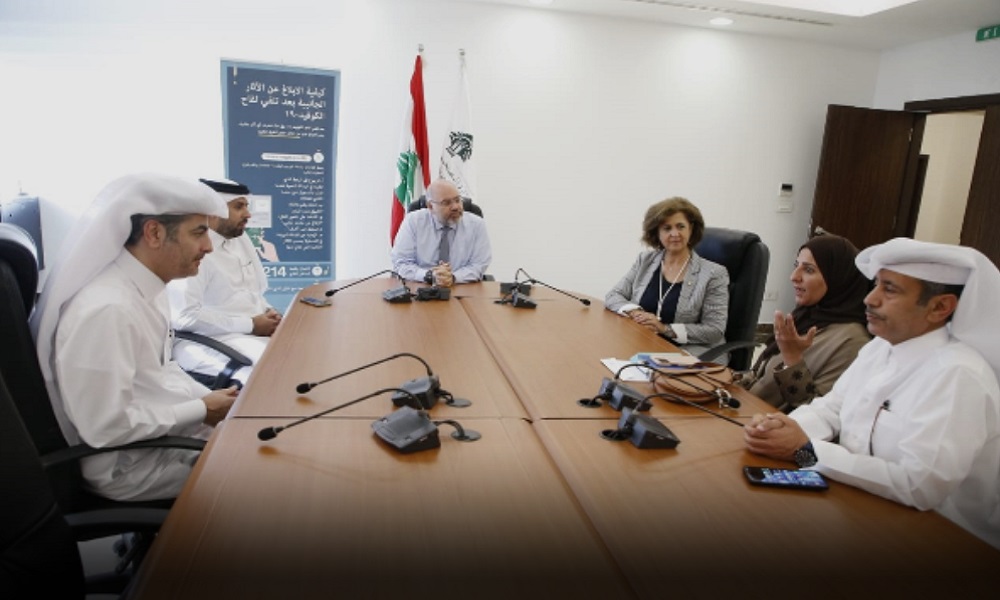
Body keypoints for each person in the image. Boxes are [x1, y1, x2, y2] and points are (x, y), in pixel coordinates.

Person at [744, 238, 1000, 549]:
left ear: (939, 307)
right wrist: (783, 427)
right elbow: (832, 408)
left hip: (940, 541)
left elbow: (918, 486)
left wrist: (805, 450)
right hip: (860, 505)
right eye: (875, 284)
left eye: (889, 290)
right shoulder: (880, 347)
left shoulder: (958, 375)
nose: (870, 299)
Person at [30, 173, 240, 502]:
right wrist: (201, 410)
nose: (209, 246)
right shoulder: (108, 310)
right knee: (264, 482)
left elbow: (162, 373)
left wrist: (216, 403)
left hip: (163, 437)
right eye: (199, 232)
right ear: (154, 233)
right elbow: (106, 427)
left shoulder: (148, 288)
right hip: (133, 465)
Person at [168, 178, 281, 386]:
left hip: (252, 333)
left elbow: (252, 291)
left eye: (246, 206)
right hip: (213, 340)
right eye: (238, 207)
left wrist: (269, 312)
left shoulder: (240, 239)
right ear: (213, 212)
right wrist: (251, 325)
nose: (247, 214)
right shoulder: (192, 249)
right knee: (279, 369)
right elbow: (184, 317)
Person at [739, 234, 870, 412]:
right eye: (796, 266)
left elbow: (814, 412)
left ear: (838, 277)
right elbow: (761, 377)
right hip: (743, 408)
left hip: (765, 422)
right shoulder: (808, 316)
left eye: (809, 270)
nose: (794, 276)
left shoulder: (853, 341)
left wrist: (792, 359)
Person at [605, 197, 729, 357]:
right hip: (644, 343)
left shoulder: (714, 273)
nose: (675, 234)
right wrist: (636, 313)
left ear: (691, 229)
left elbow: (715, 330)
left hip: (690, 352)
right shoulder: (645, 261)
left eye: (681, 226)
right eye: (667, 228)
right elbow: (613, 295)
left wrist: (664, 329)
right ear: (657, 233)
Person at [390, 178, 492, 286]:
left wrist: (453, 277)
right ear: (430, 206)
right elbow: (401, 262)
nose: (455, 207)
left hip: (461, 286)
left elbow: (479, 265)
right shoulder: (413, 222)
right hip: (420, 286)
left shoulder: (476, 224)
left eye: (457, 200)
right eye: (446, 203)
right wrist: (429, 275)